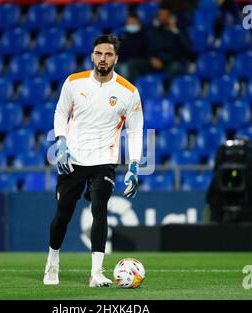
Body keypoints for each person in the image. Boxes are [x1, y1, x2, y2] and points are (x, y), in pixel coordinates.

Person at [43, 35, 144, 287]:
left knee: (100, 207)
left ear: (116, 58)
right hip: (73, 158)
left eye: (108, 54)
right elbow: (60, 112)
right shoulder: (74, 82)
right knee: (63, 215)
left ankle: (96, 272)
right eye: (99, 53)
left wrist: (133, 165)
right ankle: (52, 263)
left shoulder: (128, 92)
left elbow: (135, 130)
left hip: (104, 160)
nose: (103, 58)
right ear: (92, 56)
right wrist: (61, 141)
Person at [126, 6, 193, 81]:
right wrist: (151, 58)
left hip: (171, 62)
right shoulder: (152, 31)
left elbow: (187, 48)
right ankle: (133, 91)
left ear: (170, 17)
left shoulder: (178, 31)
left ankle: (169, 91)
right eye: (160, 15)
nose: (162, 17)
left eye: (165, 15)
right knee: (132, 64)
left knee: (176, 67)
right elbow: (145, 48)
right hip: (154, 61)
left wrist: (175, 31)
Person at [116, 14, 148, 80]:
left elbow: (145, 53)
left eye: (133, 22)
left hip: (138, 62)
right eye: (129, 22)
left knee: (125, 68)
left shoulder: (144, 35)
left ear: (138, 22)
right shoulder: (122, 35)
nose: (131, 24)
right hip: (122, 61)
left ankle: (128, 88)